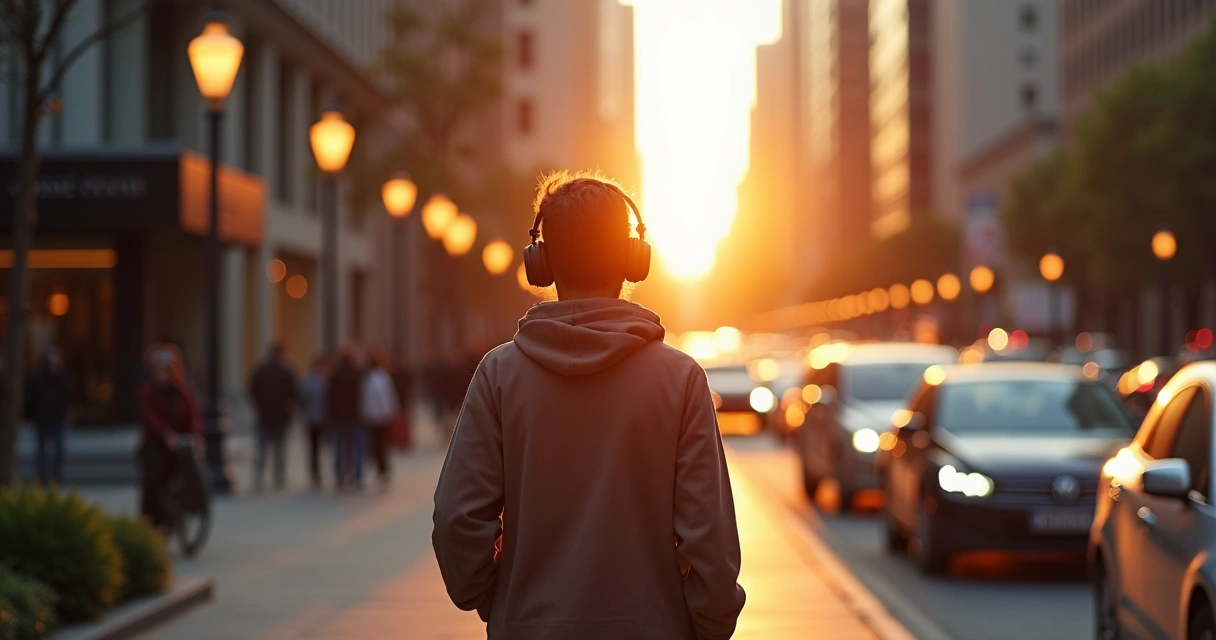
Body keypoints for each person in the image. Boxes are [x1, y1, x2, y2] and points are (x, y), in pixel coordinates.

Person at [432, 172, 746, 639]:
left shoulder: (498, 376)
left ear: (541, 263)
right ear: (631, 259)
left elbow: (457, 520)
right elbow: (711, 542)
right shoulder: (681, 380)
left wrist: (498, 598)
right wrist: (707, 625)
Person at [137, 348, 203, 529]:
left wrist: (195, 436)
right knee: (153, 481)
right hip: (156, 445)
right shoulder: (146, 393)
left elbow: (193, 416)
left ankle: (188, 507)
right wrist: (166, 435)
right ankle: (150, 523)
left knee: (193, 471)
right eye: (158, 370)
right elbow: (150, 418)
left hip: (180, 445)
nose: (161, 374)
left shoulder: (183, 392)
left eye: (165, 370)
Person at [248, 343, 298, 491]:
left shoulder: (261, 370)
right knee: (280, 449)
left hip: (265, 415)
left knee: (262, 449)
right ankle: (279, 477)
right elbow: (294, 393)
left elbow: (252, 389)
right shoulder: (287, 371)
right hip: (281, 416)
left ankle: (258, 478)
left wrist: (260, 404)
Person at [25, 345, 74, 484]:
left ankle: (56, 480)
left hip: (58, 420)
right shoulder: (37, 377)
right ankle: (41, 481)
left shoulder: (63, 376)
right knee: (41, 454)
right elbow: (30, 398)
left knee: (59, 453)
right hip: (42, 421)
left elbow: (71, 392)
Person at [360, 347, 400, 489]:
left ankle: (383, 470)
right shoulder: (380, 377)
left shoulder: (377, 377)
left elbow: (387, 396)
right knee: (377, 445)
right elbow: (389, 396)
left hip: (378, 416)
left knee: (380, 444)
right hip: (377, 416)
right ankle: (381, 470)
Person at [326, 349, 364, 490]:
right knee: (357, 449)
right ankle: (357, 476)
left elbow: (329, 398)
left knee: (339, 449)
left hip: (339, 418)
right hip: (355, 417)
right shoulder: (357, 375)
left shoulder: (335, 376)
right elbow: (362, 396)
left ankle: (339, 476)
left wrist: (330, 416)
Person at [298, 355, 330, 489]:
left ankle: (323, 473)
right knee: (313, 449)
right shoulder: (309, 382)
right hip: (312, 419)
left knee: (323, 448)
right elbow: (301, 399)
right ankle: (315, 474)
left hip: (323, 419)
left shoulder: (326, 381)